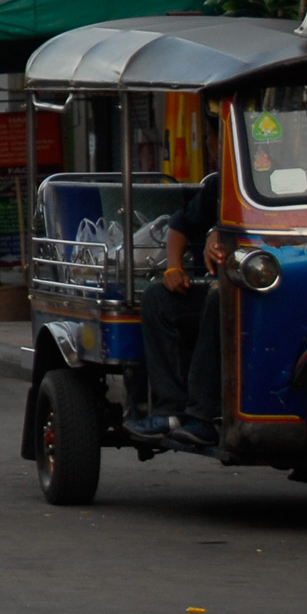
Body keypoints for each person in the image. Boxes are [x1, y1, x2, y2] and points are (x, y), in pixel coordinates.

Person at [127, 159, 229, 443]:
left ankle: (203, 415)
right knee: (157, 298)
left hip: (267, 294)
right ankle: (171, 411)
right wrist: (174, 268)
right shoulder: (222, 185)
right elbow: (180, 226)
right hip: (225, 286)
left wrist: (219, 234)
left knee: (218, 299)